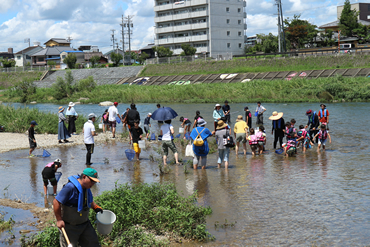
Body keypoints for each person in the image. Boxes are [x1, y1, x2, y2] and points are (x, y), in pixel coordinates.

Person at [53, 168, 103, 247]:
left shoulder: (87, 187)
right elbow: (56, 202)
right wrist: (59, 220)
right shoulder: (70, 188)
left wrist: (95, 207)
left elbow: (88, 200)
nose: (93, 183)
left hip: (85, 224)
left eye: (94, 182)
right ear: (84, 177)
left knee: (94, 244)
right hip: (70, 227)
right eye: (92, 181)